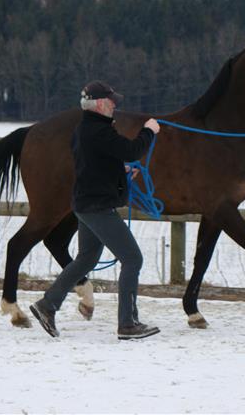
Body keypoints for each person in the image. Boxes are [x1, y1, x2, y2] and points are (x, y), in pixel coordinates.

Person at [30, 80, 161, 340]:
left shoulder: (85, 129)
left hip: (84, 204)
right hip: (97, 207)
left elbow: (93, 163)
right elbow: (132, 150)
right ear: (100, 104)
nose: (115, 105)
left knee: (86, 259)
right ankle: (127, 324)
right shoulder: (100, 131)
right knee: (133, 259)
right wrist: (149, 131)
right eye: (111, 101)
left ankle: (47, 305)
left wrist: (120, 171)